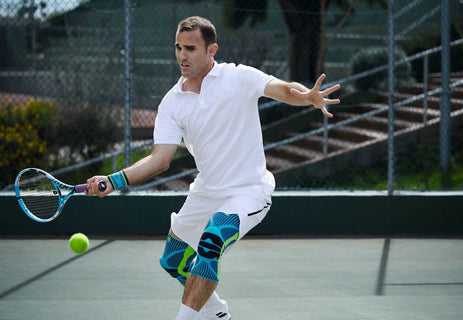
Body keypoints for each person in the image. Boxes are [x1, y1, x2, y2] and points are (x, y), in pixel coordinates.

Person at [86, 16, 340, 320]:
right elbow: (159, 159)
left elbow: (283, 89)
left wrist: (308, 97)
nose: (182, 55)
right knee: (174, 261)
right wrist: (114, 180)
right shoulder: (171, 103)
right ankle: (217, 313)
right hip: (205, 192)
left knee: (212, 240)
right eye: (178, 47)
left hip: (249, 191)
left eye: (191, 48)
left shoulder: (239, 77)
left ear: (211, 50)